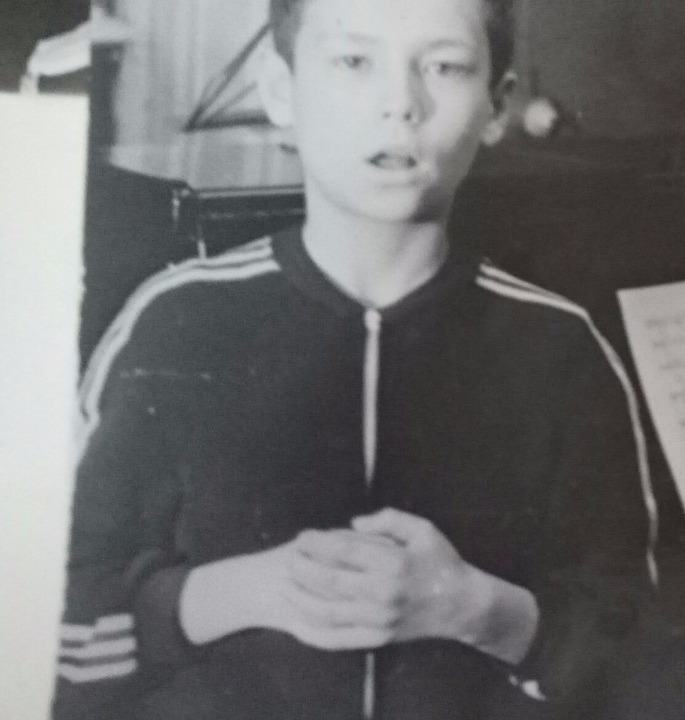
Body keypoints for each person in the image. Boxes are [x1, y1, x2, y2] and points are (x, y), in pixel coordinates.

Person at [53, 0, 654, 718]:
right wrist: (239, 593)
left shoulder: (563, 347)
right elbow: (48, 622)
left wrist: (475, 609)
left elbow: (634, 652)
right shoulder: (172, 322)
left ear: (496, 106)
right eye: (353, 61)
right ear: (281, 90)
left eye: (445, 66)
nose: (400, 103)